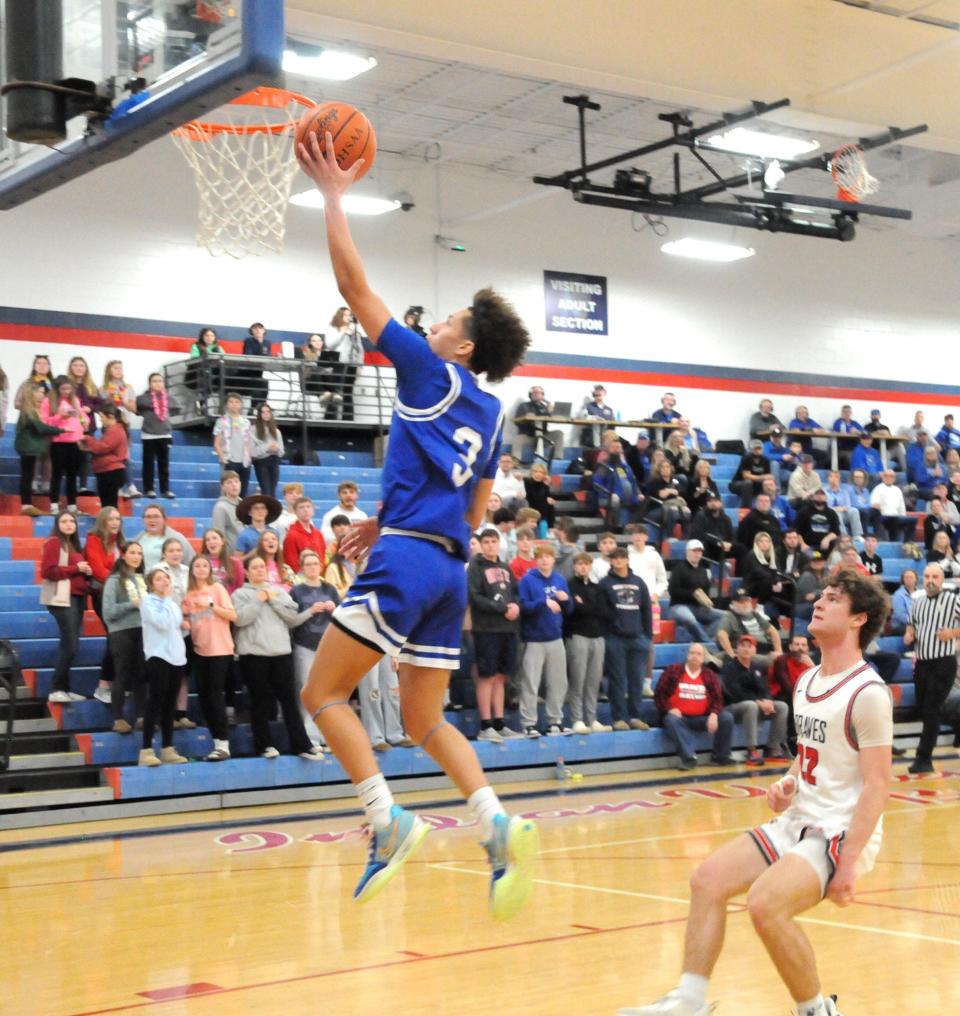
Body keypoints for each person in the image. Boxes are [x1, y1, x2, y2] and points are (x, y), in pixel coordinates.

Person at [297, 130, 538, 919]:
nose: (432, 323)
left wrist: (333, 196)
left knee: (323, 693)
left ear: (462, 344)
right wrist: (390, 523)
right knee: (426, 717)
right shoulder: (492, 410)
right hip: (445, 567)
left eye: (448, 319)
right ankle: (496, 824)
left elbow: (351, 282)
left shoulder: (429, 370)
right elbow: (473, 508)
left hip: (407, 562)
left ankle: (386, 818)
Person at [623, 569, 892, 1016]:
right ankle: (688, 1001)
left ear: (858, 619)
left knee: (765, 904)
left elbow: (879, 784)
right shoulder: (807, 680)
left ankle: (815, 1011)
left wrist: (847, 865)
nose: (819, 603)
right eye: (820, 595)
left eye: (832, 598)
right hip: (800, 817)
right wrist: (789, 781)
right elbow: (810, 752)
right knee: (707, 880)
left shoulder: (868, 693)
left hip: (839, 830)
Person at [232, 555, 325, 760]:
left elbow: (292, 618)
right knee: (260, 701)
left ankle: (302, 745)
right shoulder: (240, 594)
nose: (259, 570)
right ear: (247, 572)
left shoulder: (279, 593)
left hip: (281, 652)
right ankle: (264, 745)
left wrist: (272, 600)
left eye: (262, 566)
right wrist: (259, 600)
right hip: (254, 654)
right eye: (254, 567)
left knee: (290, 701)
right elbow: (240, 619)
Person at [467, 529, 522, 742]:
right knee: (487, 677)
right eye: (486, 542)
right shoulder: (475, 567)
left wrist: (516, 606)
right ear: (481, 545)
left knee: (501, 677)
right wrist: (501, 609)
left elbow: (516, 593)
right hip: (486, 629)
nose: (490, 545)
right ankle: (485, 725)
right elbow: (474, 596)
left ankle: (499, 723)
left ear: (499, 543)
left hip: (508, 629)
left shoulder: (505, 567)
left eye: (494, 541)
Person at [182, 555, 237, 761]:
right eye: (197, 565)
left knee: (215, 695)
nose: (201, 569)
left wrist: (212, 605)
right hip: (199, 649)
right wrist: (184, 620)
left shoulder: (218, 589)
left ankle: (224, 744)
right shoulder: (189, 594)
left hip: (220, 649)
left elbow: (233, 616)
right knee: (205, 698)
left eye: (205, 565)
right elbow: (187, 617)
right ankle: (216, 743)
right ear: (192, 569)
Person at [518, 544, 572, 736]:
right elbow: (522, 606)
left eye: (548, 557)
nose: (544, 560)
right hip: (534, 639)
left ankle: (555, 721)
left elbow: (569, 609)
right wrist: (543, 602)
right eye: (540, 557)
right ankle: (528, 723)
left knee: (558, 682)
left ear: (553, 559)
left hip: (555, 637)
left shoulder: (559, 580)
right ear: (536, 559)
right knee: (531, 682)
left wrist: (565, 601)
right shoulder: (527, 580)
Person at [137, 568, 189, 768]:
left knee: (170, 704)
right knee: (155, 702)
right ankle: (146, 749)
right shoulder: (148, 602)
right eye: (158, 579)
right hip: (158, 656)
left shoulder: (172, 603)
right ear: (151, 584)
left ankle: (167, 747)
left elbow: (175, 625)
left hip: (176, 657)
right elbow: (162, 623)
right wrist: (167, 601)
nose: (164, 582)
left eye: (166, 578)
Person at [653, 642, 733, 771]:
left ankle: (720, 756)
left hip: (703, 717)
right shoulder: (673, 670)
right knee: (670, 720)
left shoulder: (709, 675)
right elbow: (659, 695)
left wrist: (714, 713)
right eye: (692, 653)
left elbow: (718, 698)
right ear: (687, 655)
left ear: (703, 658)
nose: (695, 656)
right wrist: (669, 709)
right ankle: (689, 758)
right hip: (680, 718)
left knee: (726, 717)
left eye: (699, 654)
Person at [40, 511, 92, 703]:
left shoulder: (74, 545)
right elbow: (48, 571)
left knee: (69, 644)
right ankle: (55, 688)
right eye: (64, 521)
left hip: (77, 598)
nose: (69, 524)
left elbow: (75, 574)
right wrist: (77, 569)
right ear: (57, 523)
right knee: (71, 645)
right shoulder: (54, 542)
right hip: (62, 599)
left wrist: (86, 573)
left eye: (72, 521)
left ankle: (64, 688)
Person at [290, 550, 339, 750]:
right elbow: (292, 620)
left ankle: (327, 734)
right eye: (308, 564)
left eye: (315, 564)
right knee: (307, 690)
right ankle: (311, 736)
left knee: (327, 691)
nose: (312, 567)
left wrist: (334, 608)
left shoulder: (330, 589)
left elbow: (343, 616)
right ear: (302, 568)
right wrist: (310, 611)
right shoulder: (296, 591)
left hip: (328, 646)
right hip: (305, 644)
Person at [600, 547, 653, 732]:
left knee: (636, 680)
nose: (619, 561)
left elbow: (647, 609)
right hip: (615, 639)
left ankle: (635, 716)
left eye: (622, 558)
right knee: (617, 680)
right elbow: (601, 613)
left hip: (638, 638)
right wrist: (608, 635)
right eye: (615, 558)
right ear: (611, 561)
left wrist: (647, 637)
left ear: (627, 560)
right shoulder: (605, 583)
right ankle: (619, 718)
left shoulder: (639, 582)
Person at [719, 634, 790, 765]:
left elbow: (765, 688)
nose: (746, 649)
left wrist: (768, 700)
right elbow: (735, 693)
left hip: (755, 706)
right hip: (733, 708)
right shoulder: (730, 667)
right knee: (751, 705)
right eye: (742, 646)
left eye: (749, 646)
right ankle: (751, 750)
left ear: (754, 650)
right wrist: (759, 702)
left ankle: (771, 747)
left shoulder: (757, 667)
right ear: (737, 649)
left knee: (781, 706)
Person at [102, 542, 147, 733]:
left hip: (143, 630)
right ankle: (118, 718)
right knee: (122, 673)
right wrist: (132, 604)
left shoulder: (143, 579)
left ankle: (142, 716)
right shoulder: (114, 580)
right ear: (123, 555)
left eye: (139, 553)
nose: (136, 556)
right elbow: (108, 612)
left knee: (142, 675)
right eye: (132, 553)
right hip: (121, 632)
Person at [564, 551, 611, 733]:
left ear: (590, 566)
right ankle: (577, 719)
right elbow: (572, 610)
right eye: (579, 564)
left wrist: (583, 606)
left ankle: (592, 718)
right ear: (575, 566)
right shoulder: (569, 586)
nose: (583, 567)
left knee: (593, 681)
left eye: (586, 564)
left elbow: (603, 611)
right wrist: (583, 607)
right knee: (578, 680)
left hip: (598, 637)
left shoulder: (598, 587)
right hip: (577, 636)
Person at [84, 505, 126, 704]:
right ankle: (103, 685)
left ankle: (118, 683)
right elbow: (97, 569)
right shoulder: (94, 540)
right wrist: (121, 581)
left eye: (118, 519)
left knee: (121, 638)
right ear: (103, 521)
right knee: (114, 636)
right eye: (111, 519)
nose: (115, 522)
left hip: (122, 595)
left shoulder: (120, 541)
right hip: (103, 594)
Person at [42, 375, 89, 514]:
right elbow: (45, 422)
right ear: (57, 389)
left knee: (72, 475)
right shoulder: (48, 401)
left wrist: (85, 420)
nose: (66, 392)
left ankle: (72, 505)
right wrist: (60, 417)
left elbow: (81, 415)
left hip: (75, 441)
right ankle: (54, 505)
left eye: (69, 389)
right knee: (57, 474)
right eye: (63, 389)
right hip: (59, 441)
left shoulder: (75, 400)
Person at [15, 381, 63, 515]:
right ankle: (26, 505)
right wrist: (61, 430)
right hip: (27, 447)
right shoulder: (28, 410)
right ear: (32, 393)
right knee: (27, 475)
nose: (43, 395)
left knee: (28, 475)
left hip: (31, 447)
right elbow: (40, 428)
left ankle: (27, 504)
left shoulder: (33, 410)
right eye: (41, 392)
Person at [668, 540, 724, 644]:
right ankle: (707, 643)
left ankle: (703, 640)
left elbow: (706, 591)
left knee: (725, 616)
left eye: (699, 551)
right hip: (679, 605)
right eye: (694, 551)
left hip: (698, 607)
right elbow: (673, 590)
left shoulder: (703, 571)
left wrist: (706, 600)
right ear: (687, 552)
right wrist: (693, 594)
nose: (697, 554)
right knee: (689, 618)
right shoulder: (679, 568)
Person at [99, 360, 140, 499]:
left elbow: (134, 409)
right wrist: (110, 399)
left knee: (126, 456)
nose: (118, 371)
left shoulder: (128, 388)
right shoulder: (103, 388)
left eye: (120, 368)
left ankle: (131, 485)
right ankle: (118, 487)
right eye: (115, 368)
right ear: (109, 371)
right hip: (110, 425)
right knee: (113, 457)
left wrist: (123, 400)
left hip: (124, 424)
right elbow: (100, 409)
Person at [715, 587, 783, 669]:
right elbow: (721, 635)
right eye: (741, 602)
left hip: (763, 649)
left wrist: (778, 651)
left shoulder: (754, 614)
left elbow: (773, 631)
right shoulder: (730, 616)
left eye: (747, 601)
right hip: (747, 653)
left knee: (783, 658)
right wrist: (731, 655)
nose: (745, 604)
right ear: (733, 604)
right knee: (776, 661)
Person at [136, 372, 177, 498]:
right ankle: (149, 489)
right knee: (148, 464)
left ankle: (165, 490)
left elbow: (176, 407)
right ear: (149, 384)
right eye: (154, 381)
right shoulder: (144, 397)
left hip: (165, 434)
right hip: (149, 435)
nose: (158, 383)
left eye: (160, 381)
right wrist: (154, 403)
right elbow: (140, 404)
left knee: (164, 464)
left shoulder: (169, 398)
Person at [79, 403, 128, 509]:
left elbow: (102, 447)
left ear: (110, 416)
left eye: (102, 417)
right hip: (107, 471)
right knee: (108, 504)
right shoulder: (114, 430)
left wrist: (88, 438)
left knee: (109, 504)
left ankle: (110, 523)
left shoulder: (115, 431)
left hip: (110, 471)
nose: (101, 420)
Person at [65, 355, 100, 496]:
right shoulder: (67, 385)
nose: (79, 368)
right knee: (72, 457)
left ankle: (83, 486)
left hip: (88, 427)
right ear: (71, 368)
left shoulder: (91, 386)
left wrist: (89, 408)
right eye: (76, 365)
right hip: (71, 427)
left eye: (82, 366)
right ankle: (71, 485)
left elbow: (99, 403)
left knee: (85, 457)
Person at [325, 307, 364, 421]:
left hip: (351, 365)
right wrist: (342, 332)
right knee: (336, 391)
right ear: (340, 316)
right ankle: (330, 418)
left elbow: (360, 349)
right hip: (338, 364)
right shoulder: (333, 328)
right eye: (345, 315)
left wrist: (360, 365)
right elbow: (330, 345)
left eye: (349, 315)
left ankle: (348, 418)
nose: (348, 317)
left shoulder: (354, 331)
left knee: (348, 393)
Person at [594, 439, 642, 531]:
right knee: (616, 502)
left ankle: (630, 528)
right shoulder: (604, 466)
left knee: (642, 502)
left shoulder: (626, 467)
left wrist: (639, 493)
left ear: (622, 450)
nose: (616, 450)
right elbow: (597, 484)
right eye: (613, 447)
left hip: (626, 497)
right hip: (607, 497)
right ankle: (616, 527)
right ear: (609, 450)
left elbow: (633, 482)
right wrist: (609, 494)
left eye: (618, 447)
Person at [213, 393, 253, 498]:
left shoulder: (246, 422)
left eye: (237, 402)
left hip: (244, 462)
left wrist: (248, 458)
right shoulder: (221, 421)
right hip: (229, 460)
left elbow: (248, 442)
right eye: (231, 402)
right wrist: (223, 457)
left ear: (241, 404)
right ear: (227, 404)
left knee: (243, 493)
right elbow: (216, 443)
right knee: (229, 493)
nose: (234, 404)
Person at [133, 504, 195, 571]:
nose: (152, 520)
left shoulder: (177, 538)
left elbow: (191, 561)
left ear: (164, 519)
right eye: (148, 517)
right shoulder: (138, 539)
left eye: (156, 517)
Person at [295, 332, 343, 419]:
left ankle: (334, 396)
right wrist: (324, 369)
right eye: (314, 341)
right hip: (311, 382)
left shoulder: (327, 354)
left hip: (325, 382)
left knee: (339, 366)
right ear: (310, 343)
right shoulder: (306, 354)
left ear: (322, 342)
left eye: (319, 340)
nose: (317, 342)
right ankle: (329, 393)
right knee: (317, 372)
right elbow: (308, 371)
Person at [513, 385, 564, 463]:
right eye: (534, 392)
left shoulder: (546, 406)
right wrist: (525, 417)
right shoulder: (524, 406)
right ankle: (515, 461)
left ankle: (557, 460)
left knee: (559, 433)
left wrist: (549, 406)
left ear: (543, 395)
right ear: (530, 395)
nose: (536, 394)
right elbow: (516, 421)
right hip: (529, 437)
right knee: (518, 439)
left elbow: (553, 417)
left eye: (539, 393)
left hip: (543, 436)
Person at [644, 459, 690, 539]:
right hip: (657, 507)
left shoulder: (675, 480)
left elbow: (683, 494)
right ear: (659, 469)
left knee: (686, 512)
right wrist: (674, 493)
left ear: (671, 468)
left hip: (675, 506)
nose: (665, 469)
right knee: (673, 511)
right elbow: (661, 495)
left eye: (667, 467)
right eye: (663, 467)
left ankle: (685, 537)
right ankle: (668, 537)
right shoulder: (654, 481)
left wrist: (670, 491)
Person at [869, 469, 916, 543]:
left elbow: (901, 507)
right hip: (883, 516)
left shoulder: (897, 490)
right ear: (883, 477)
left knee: (913, 520)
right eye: (886, 476)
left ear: (894, 479)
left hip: (896, 516)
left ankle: (907, 542)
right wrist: (877, 506)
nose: (888, 478)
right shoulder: (878, 489)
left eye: (891, 476)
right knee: (893, 520)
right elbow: (874, 504)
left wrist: (903, 517)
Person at [282, 496, 326, 574]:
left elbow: (322, 557)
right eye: (301, 507)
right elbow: (291, 562)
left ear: (313, 511)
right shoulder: (291, 535)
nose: (306, 510)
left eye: (308, 507)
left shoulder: (318, 534)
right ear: (295, 512)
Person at [251, 402, 284, 497]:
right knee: (266, 490)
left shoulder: (276, 431)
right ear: (259, 414)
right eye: (263, 412)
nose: (266, 414)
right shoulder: (253, 429)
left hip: (274, 461)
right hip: (261, 462)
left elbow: (281, 451)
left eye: (268, 412)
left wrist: (276, 449)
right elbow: (253, 452)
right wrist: (267, 447)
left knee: (273, 491)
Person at [235, 493, 282, 560]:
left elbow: (279, 556)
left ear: (267, 512)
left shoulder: (274, 533)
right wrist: (251, 555)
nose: (260, 511)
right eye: (256, 508)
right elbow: (236, 560)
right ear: (250, 512)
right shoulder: (244, 535)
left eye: (263, 508)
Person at [795, 488, 841, 557]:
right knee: (813, 558)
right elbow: (796, 530)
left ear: (826, 498)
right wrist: (802, 544)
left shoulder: (832, 513)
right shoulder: (804, 512)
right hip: (808, 547)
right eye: (817, 495)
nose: (820, 496)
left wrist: (827, 539)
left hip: (827, 548)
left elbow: (836, 532)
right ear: (813, 497)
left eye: (822, 495)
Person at [201, 527, 245, 595]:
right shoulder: (201, 562)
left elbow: (239, 586)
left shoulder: (235, 562)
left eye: (214, 538)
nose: (211, 542)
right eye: (207, 540)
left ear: (222, 541)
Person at [731, 440, 773, 508]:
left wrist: (765, 478)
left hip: (756, 484)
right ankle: (745, 509)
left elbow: (769, 476)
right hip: (739, 483)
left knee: (769, 483)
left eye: (759, 448)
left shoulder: (765, 460)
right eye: (756, 448)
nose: (758, 450)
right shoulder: (747, 458)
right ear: (751, 449)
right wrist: (761, 478)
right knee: (748, 483)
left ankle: (771, 507)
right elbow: (746, 476)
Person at [240, 322, 272, 408]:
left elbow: (268, 357)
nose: (258, 330)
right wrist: (259, 343)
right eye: (255, 328)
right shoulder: (248, 341)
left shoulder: (267, 343)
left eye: (260, 328)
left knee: (264, 384)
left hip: (259, 372)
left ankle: (261, 407)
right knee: (255, 388)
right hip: (246, 373)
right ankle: (253, 408)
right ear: (251, 331)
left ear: (264, 330)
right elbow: (249, 356)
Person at [211, 471, 244, 552]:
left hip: (245, 553)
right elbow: (219, 534)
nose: (234, 485)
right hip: (231, 555)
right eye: (229, 482)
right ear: (223, 487)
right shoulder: (220, 507)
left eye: (236, 481)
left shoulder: (243, 504)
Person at [524, 461, 556, 531]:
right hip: (528, 512)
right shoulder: (526, 482)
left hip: (540, 514)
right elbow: (534, 498)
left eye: (541, 472)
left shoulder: (544, 485)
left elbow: (547, 500)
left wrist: (546, 485)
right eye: (535, 471)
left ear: (545, 475)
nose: (538, 474)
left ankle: (551, 527)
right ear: (531, 473)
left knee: (550, 503)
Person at [889, 567, 918, 635]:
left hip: (917, 624)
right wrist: (917, 623)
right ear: (903, 580)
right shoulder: (898, 595)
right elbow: (901, 615)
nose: (909, 579)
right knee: (919, 632)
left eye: (911, 577)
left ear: (916, 579)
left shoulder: (921, 593)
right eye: (906, 577)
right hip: (900, 626)